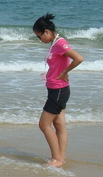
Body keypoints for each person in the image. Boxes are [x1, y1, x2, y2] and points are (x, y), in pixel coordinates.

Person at [32, 13, 84, 167]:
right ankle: (61, 158)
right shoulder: (54, 44)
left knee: (43, 125)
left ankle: (56, 159)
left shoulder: (60, 43)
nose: (39, 40)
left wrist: (65, 72)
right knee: (59, 124)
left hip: (59, 90)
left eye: (39, 36)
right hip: (56, 89)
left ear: (47, 31)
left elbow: (79, 58)